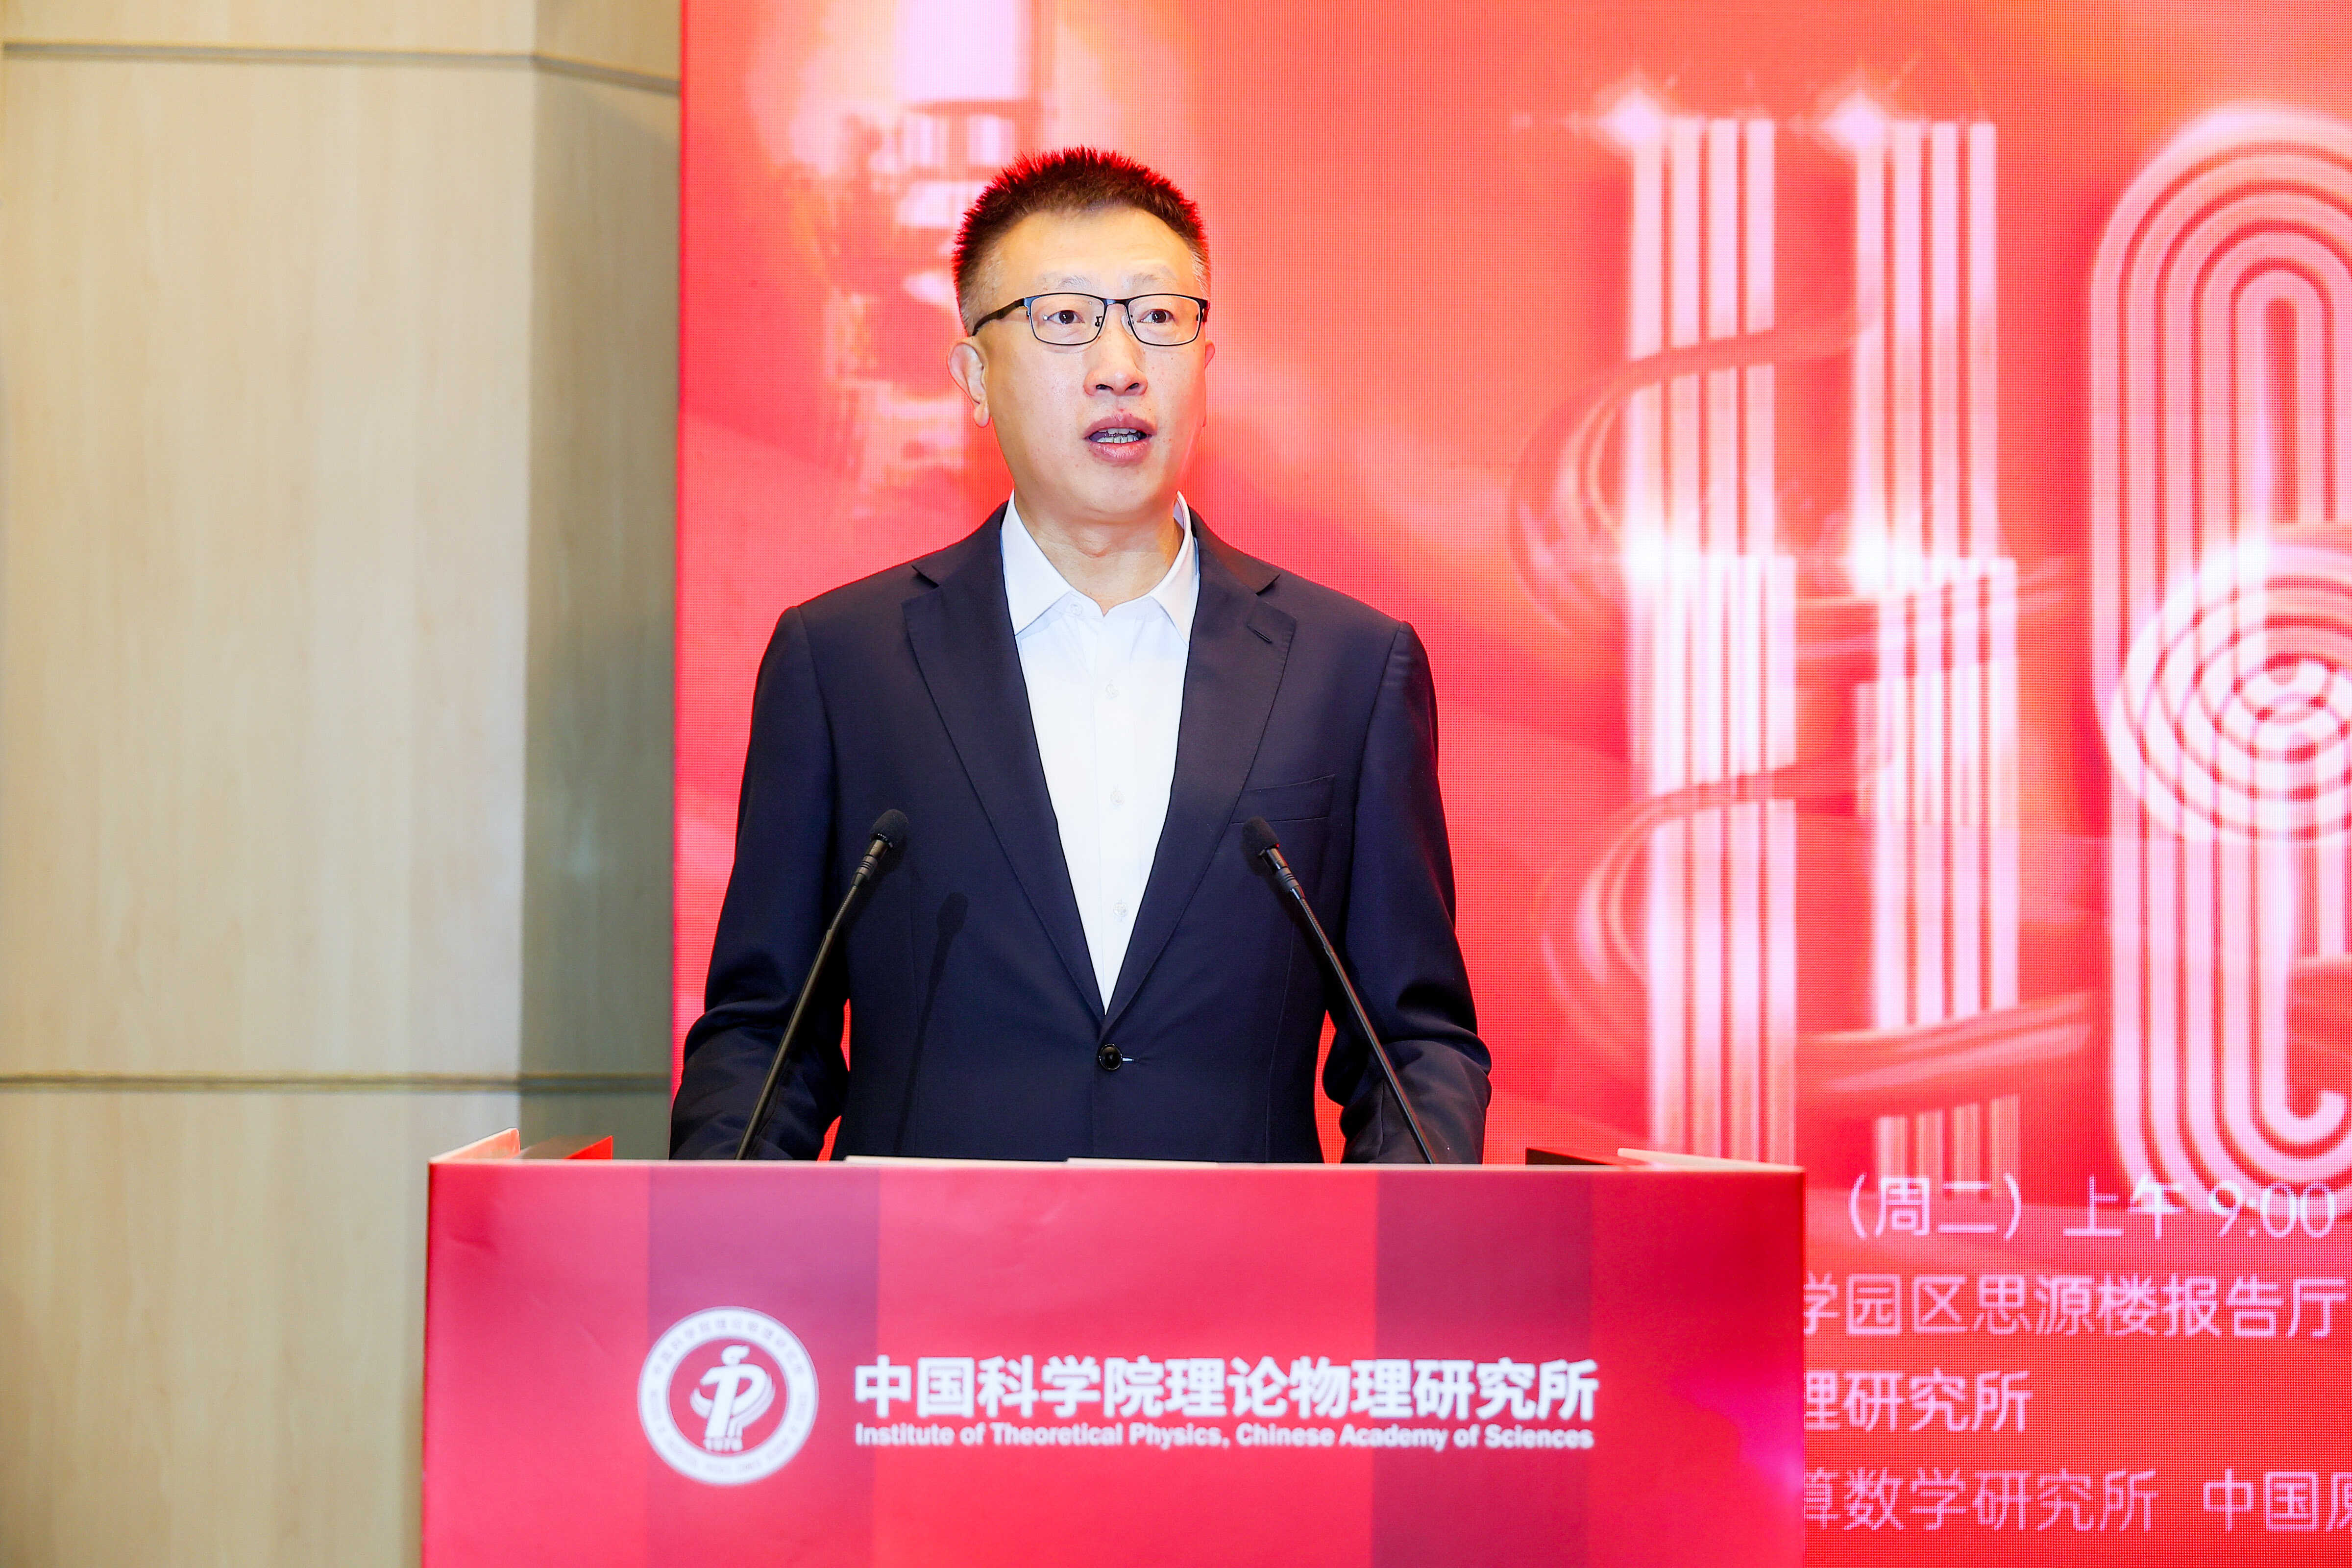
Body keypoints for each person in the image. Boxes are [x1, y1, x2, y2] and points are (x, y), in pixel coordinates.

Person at [670, 147, 1488, 1163]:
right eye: (1064, 318)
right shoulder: (843, 665)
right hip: (928, 1265)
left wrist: (1398, 1240)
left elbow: (1412, 1046)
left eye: (1159, 316)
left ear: (1206, 364)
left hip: (1245, 1268)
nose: (1120, 365)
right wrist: (723, 1230)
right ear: (975, 376)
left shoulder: (1349, 670)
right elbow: (765, 1036)